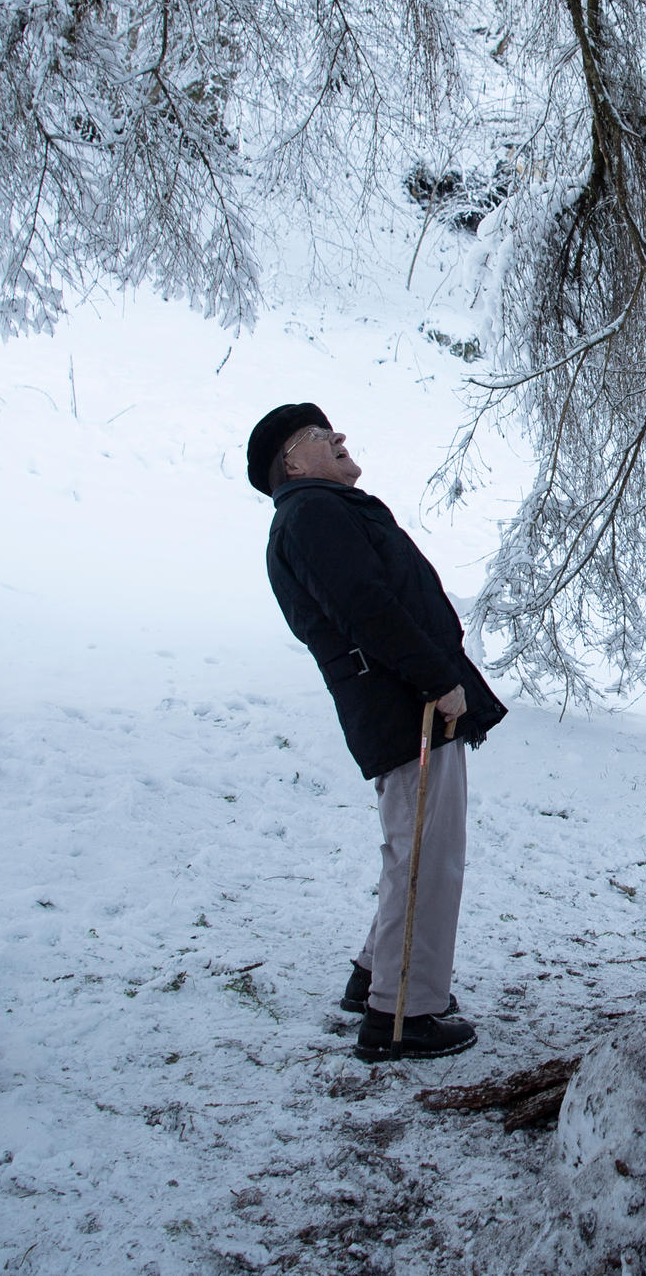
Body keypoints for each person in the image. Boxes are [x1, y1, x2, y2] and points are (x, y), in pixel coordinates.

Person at [248, 403, 509, 1062]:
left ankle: (375, 976)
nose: (338, 437)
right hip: (405, 705)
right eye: (318, 434)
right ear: (292, 461)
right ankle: (404, 1015)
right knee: (427, 853)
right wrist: (434, 680)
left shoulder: (320, 512)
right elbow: (367, 607)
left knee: (413, 847)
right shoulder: (311, 514)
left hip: (401, 700)